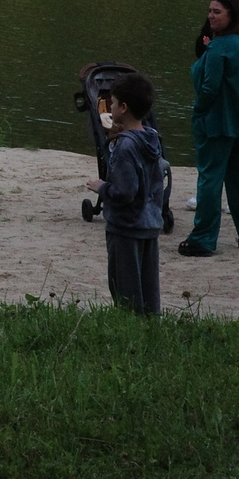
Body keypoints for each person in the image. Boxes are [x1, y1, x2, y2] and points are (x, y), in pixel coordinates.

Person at [181, 0, 239, 257]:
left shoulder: (218, 47)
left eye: (217, 12)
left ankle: (202, 239)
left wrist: (199, 112)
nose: (210, 16)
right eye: (209, 11)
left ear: (232, 15)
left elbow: (208, 88)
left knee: (210, 179)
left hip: (217, 124)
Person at [86, 70, 170, 314]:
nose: (110, 107)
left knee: (125, 288)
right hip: (150, 224)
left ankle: (128, 327)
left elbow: (125, 192)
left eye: (112, 103)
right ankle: (151, 324)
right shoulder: (152, 139)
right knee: (148, 287)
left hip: (126, 228)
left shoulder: (125, 147)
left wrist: (102, 187)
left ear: (123, 108)